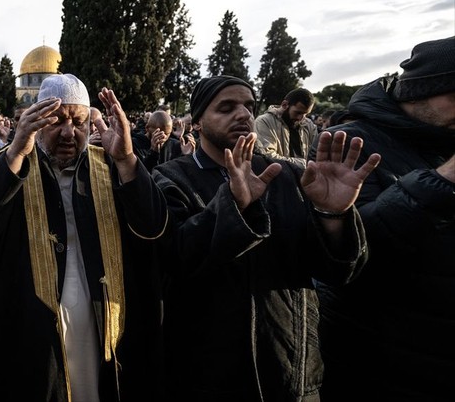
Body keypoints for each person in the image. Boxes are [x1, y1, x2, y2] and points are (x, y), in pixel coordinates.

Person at [152, 75, 380, 401]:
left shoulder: (285, 175)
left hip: (292, 372)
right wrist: (234, 207)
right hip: (208, 375)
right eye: (226, 107)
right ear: (198, 121)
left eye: (248, 106)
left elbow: (337, 272)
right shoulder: (171, 177)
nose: (243, 115)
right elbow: (177, 258)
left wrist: (333, 214)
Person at [0, 74, 168, 401]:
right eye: (57, 122)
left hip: (103, 337)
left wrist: (127, 159)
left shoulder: (110, 168)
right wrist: (14, 154)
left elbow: (153, 228)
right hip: (33, 345)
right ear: (37, 122)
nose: (69, 132)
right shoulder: (7, 166)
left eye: (79, 122)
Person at [314, 36, 455, 402]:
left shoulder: (444, 138)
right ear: (418, 92)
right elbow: (350, 257)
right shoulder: (351, 143)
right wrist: (440, 181)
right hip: (383, 362)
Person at [254, 87, 318, 167]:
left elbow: (317, 156)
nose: (301, 118)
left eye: (305, 114)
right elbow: (268, 157)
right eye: (298, 113)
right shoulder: (264, 122)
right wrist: (305, 164)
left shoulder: (309, 125)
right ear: (284, 105)